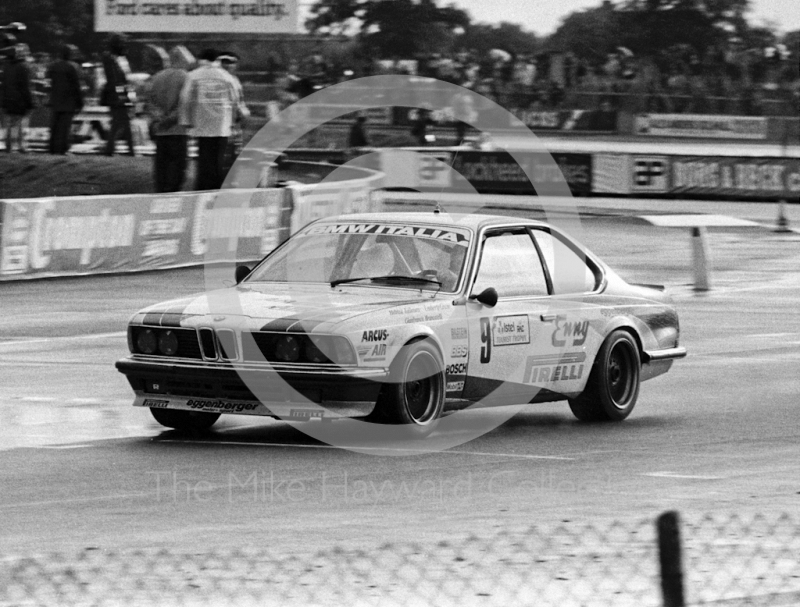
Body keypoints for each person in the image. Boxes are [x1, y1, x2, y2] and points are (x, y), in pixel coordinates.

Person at [179, 48, 240, 191]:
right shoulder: (226, 76)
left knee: (203, 158)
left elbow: (185, 99)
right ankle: (216, 188)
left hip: (201, 123)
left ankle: (201, 188)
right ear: (216, 59)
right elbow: (235, 99)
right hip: (222, 125)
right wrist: (233, 121)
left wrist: (186, 121)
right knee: (218, 159)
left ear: (201, 59)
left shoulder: (193, 75)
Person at [146, 46, 193, 192]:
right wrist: (169, 120)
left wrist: (159, 120)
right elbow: (184, 105)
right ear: (182, 60)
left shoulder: (156, 77)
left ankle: (159, 197)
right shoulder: (186, 77)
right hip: (178, 130)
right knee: (177, 171)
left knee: (161, 169)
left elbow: (150, 102)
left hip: (160, 132)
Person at [101, 33, 136, 156]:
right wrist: (121, 96)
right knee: (119, 122)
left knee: (123, 123)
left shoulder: (120, 59)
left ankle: (128, 150)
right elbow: (115, 80)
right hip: (116, 96)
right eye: (122, 42)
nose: (125, 45)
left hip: (121, 94)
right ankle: (113, 150)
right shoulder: (110, 58)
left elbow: (124, 79)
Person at [46, 44, 84, 155]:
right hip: (68, 101)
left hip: (55, 100)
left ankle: (52, 149)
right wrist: (80, 102)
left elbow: (48, 83)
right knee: (65, 127)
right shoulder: (73, 67)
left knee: (55, 126)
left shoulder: (52, 66)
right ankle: (63, 149)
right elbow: (77, 86)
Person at [218, 51, 250, 176]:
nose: (227, 65)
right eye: (224, 62)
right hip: (222, 125)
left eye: (231, 63)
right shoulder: (219, 79)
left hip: (234, 125)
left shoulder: (235, 80)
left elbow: (239, 102)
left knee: (233, 154)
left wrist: (243, 113)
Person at [2, 43, 34, 153]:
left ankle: (9, 146)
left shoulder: (7, 67)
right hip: (20, 101)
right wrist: (30, 102)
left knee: (9, 125)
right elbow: (26, 87)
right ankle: (22, 146)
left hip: (8, 100)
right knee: (22, 124)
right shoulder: (24, 67)